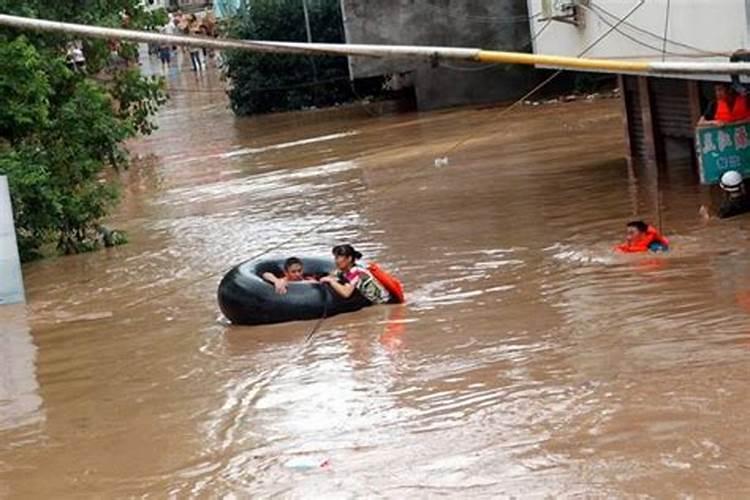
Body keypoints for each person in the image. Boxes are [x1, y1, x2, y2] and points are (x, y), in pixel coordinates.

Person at [319, 245, 391, 304]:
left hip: (383, 303)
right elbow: (332, 275)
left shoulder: (356, 272)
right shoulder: (343, 271)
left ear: (349, 259)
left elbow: (346, 293)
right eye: (335, 258)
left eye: (338, 258)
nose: (336, 261)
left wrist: (332, 282)